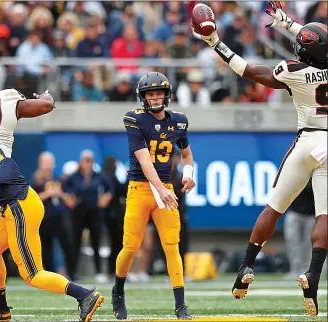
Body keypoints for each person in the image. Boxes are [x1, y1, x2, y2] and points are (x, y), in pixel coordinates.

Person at [197, 0, 327, 317]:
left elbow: (245, 70)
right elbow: (317, 40)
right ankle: (312, 274)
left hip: (307, 138)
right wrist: (287, 23)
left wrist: (214, 42)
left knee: (274, 207)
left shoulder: (292, 71)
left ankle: (246, 267)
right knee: (324, 215)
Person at [0, 89, 104, 322]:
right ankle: (0, 307)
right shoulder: (5, 103)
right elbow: (45, 105)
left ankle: (85, 295)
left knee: (32, 274)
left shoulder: (0, 147)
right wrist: (47, 98)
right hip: (12, 205)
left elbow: (4, 172)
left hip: (19, 206)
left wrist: (46, 101)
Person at [111, 72, 196, 320]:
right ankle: (118, 292)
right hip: (140, 189)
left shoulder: (179, 121)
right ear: (143, 97)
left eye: (159, 93)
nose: (155, 97)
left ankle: (180, 305)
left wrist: (189, 173)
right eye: (150, 94)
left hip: (165, 189)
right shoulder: (135, 119)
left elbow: (187, 155)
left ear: (167, 95)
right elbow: (144, 160)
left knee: (172, 246)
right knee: (130, 246)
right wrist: (160, 189)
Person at [66, 150, 112, 283]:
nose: (87, 163)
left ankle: (98, 271)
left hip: (94, 211)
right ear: (80, 162)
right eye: (85, 160)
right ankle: (73, 272)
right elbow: (65, 189)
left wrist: (105, 198)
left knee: (96, 241)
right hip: (78, 212)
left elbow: (110, 189)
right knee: (75, 242)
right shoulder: (74, 176)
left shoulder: (98, 175)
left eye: (90, 160)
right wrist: (69, 199)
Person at [31, 152, 76, 281]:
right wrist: (48, 193)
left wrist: (60, 193)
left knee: (67, 245)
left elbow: (70, 200)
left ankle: (72, 273)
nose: (48, 165)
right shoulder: (36, 180)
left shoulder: (58, 179)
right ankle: (50, 276)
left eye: (50, 162)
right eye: (46, 162)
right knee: (46, 248)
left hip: (59, 217)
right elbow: (32, 199)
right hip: (44, 218)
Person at [284, 180, 315, 280]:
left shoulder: (318, 171)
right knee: (292, 241)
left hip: (312, 213)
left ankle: (309, 271)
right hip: (294, 211)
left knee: (309, 243)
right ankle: (295, 270)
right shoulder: (295, 170)